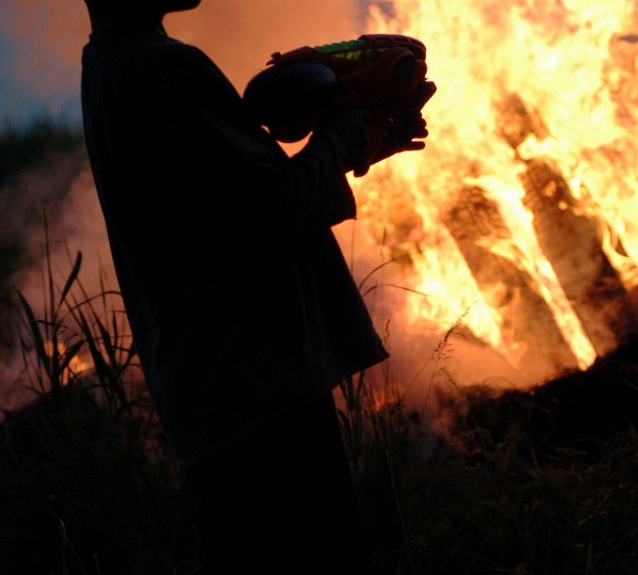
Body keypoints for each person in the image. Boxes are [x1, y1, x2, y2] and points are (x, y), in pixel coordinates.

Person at [79, 0, 430, 572]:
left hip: (216, 389)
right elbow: (269, 208)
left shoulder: (108, 68)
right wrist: (338, 141)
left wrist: (356, 144)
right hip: (259, 388)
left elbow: (228, 204)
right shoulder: (162, 69)